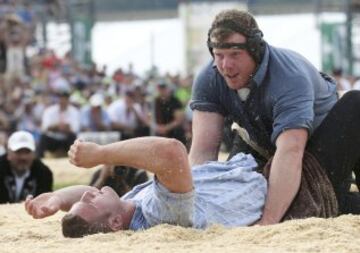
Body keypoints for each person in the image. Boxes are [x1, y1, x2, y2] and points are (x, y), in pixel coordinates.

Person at [189, 9, 360, 225]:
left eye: (235, 54)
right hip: (262, 143)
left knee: (356, 102)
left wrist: (267, 224)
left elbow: (291, 151)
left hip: (320, 150)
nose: (226, 66)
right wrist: (193, 207)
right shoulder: (210, 77)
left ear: (255, 50)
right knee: (232, 190)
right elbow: (202, 150)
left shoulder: (289, 77)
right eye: (219, 55)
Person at [25, 136, 268, 237]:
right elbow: (172, 151)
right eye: (90, 201)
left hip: (242, 162)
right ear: (116, 223)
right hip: (267, 170)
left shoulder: (126, 210)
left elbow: (85, 199)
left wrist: (57, 199)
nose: (88, 193)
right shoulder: (160, 215)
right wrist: (102, 154)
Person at [0, 131, 53, 203]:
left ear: (34, 154)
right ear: (9, 153)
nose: (23, 157)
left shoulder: (44, 173)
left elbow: (44, 202)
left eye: (27, 152)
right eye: (18, 152)